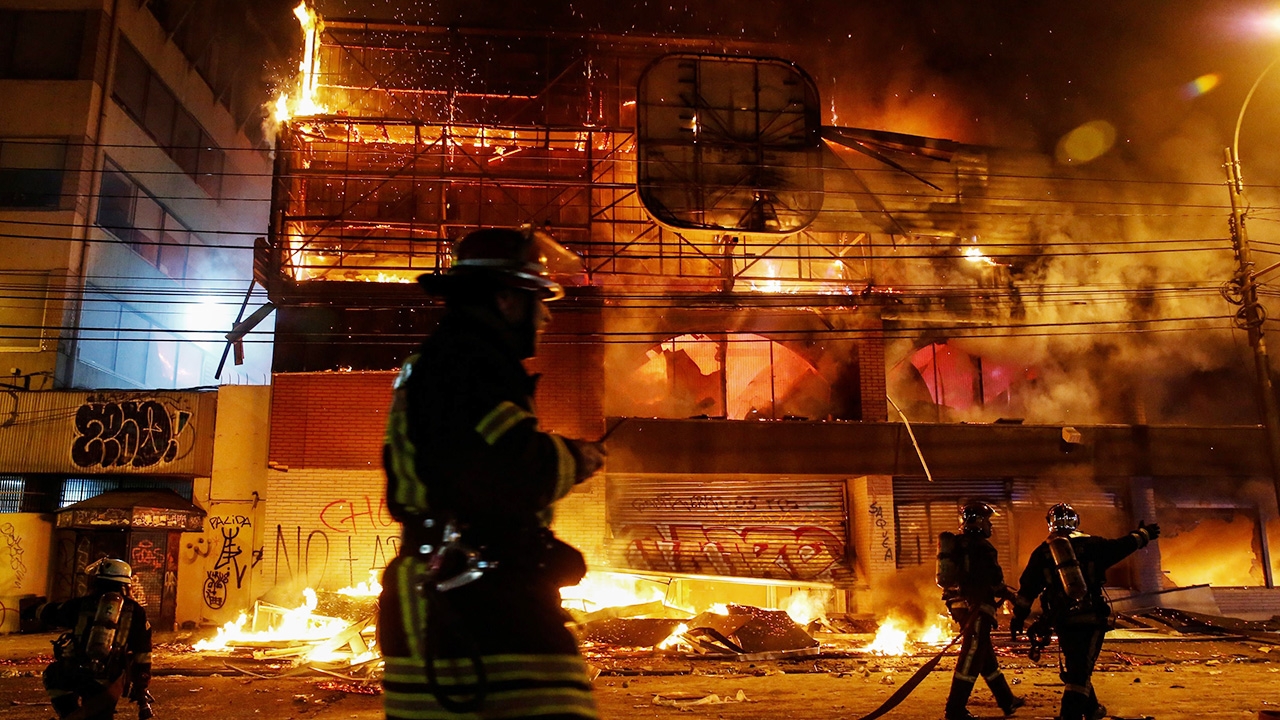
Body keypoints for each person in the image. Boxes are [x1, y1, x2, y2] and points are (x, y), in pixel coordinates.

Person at [380, 227, 607, 720]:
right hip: (482, 605)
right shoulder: (474, 362)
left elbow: (468, 463)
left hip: (432, 599)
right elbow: (510, 469)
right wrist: (578, 458)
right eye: (537, 299)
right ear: (506, 299)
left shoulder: (436, 362)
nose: (546, 314)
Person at [1010, 502, 1160, 720]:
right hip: (1090, 619)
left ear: (1049, 524)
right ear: (1076, 521)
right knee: (1079, 672)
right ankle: (1069, 715)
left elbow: (1027, 590)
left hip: (1062, 620)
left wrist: (1018, 618)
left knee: (1077, 665)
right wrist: (1144, 534)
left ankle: (1092, 709)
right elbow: (1121, 546)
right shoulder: (1093, 544)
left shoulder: (1042, 552)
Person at [24, 558, 153, 720]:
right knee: (101, 714)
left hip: (77, 670)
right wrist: (141, 681)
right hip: (111, 677)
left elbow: (55, 613)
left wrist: (33, 610)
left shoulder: (82, 604)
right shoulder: (137, 612)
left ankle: (69, 712)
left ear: (98, 581)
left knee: (53, 675)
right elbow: (143, 651)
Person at [938, 501, 1024, 720]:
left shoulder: (957, 544)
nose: (989, 525)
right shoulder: (984, 547)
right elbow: (994, 581)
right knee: (971, 656)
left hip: (959, 607)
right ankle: (954, 709)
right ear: (978, 522)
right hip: (977, 609)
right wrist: (1011, 596)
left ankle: (1007, 700)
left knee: (983, 655)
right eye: (987, 520)